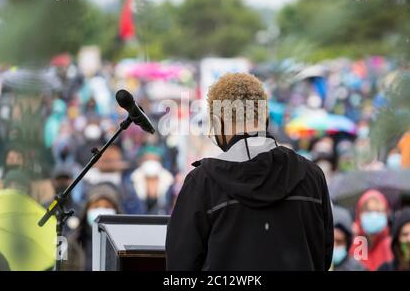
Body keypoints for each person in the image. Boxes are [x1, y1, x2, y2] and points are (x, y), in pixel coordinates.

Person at [165, 73, 334, 270]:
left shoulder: (202, 182)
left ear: (218, 122)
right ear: (266, 118)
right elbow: (322, 256)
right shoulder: (312, 175)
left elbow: (180, 265)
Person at [67, 183, 122, 271]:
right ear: (87, 210)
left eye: (107, 207)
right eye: (96, 206)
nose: (101, 211)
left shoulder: (124, 243)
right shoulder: (75, 241)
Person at [349, 189, 393, 271]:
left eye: (378, 211)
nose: (374, 216)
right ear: (359, 213)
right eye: (369, 211)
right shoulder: (353, 244)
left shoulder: (391, 245)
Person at [332, 205, 365, 271]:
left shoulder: (357, 268)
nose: (334, 246)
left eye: (339, 241)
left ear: (347, 242)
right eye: (331, 242)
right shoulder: (313, 265)